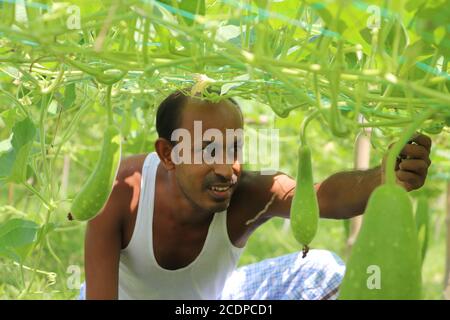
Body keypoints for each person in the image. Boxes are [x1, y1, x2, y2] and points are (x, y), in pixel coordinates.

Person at [79, 89, 432, 300]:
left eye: (234, 148)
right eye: (208, 149)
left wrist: (382, 177)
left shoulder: (248, 194)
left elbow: (322, 197)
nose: (226, 167)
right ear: (168, 154)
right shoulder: (123, 189)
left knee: (323, 269)